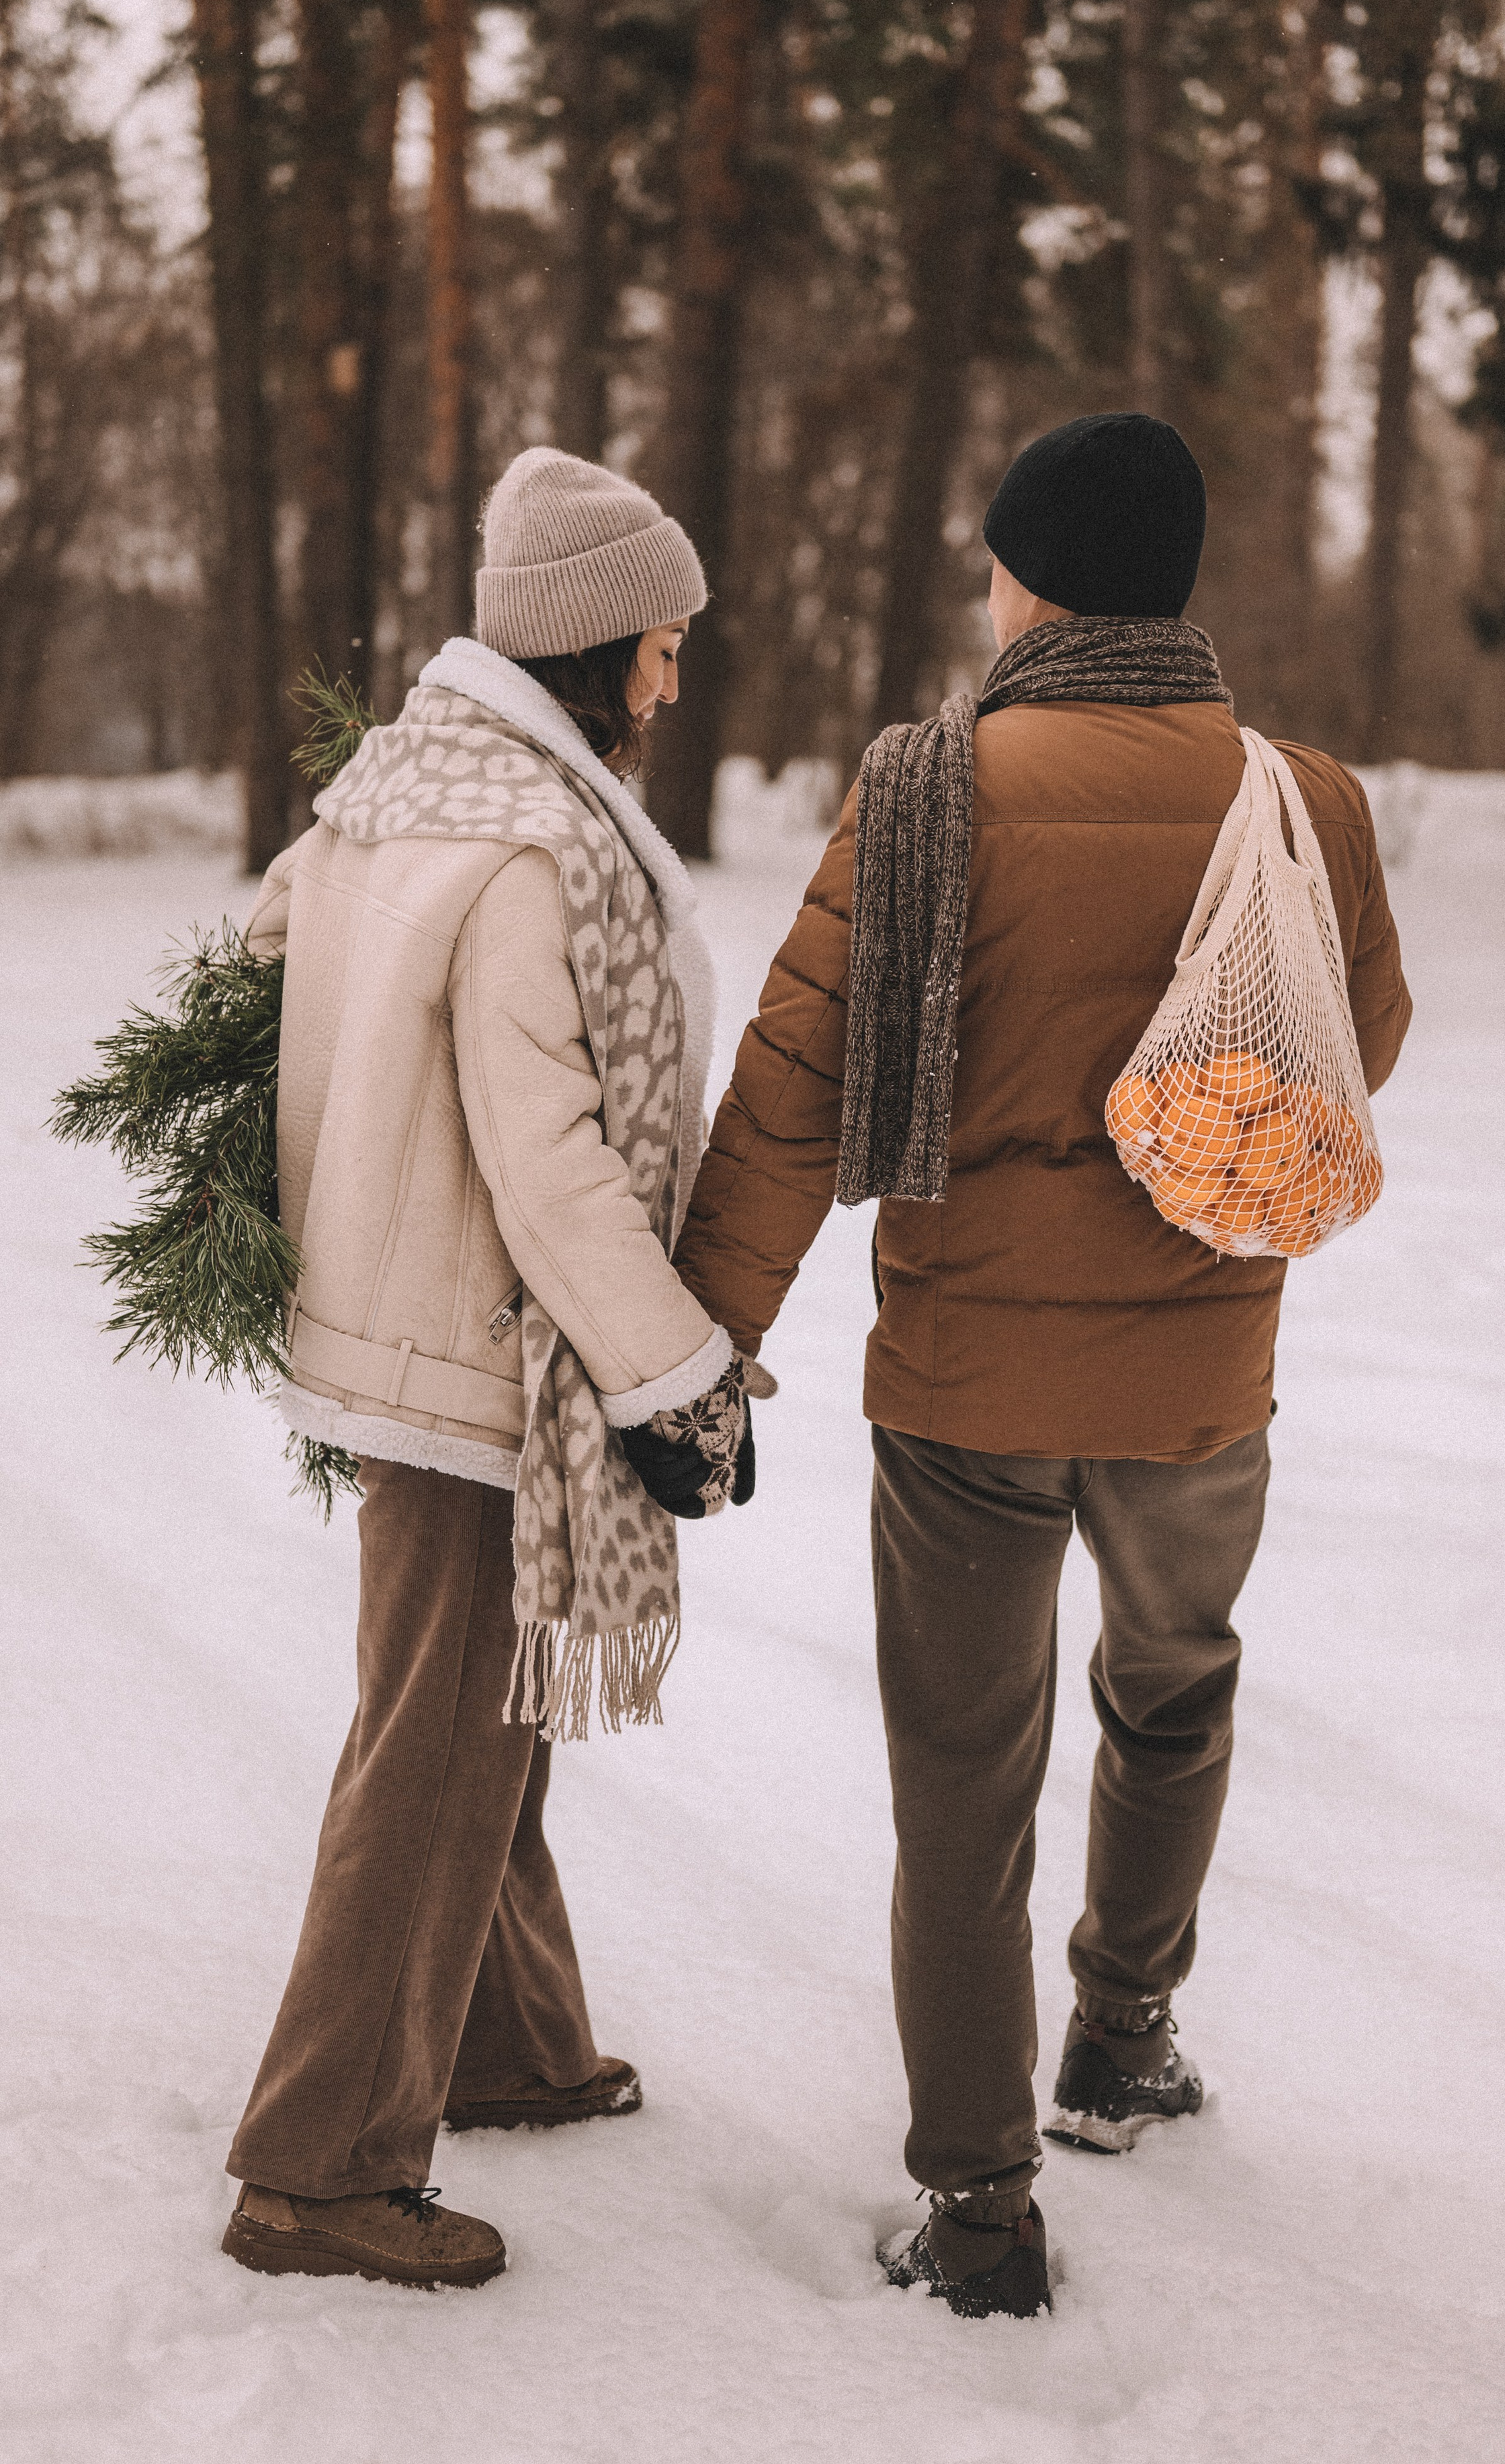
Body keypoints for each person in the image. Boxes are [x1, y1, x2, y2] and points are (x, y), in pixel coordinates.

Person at [673, 413, 1412, 2320]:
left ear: (1030, 576)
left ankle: (981, 2199)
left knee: (961, 1781)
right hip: (1195, 1380)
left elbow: (789, 1090)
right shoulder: (1305, 799)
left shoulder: (926, 788)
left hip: (964, 1394)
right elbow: (1361, 1044)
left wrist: (701, 1340)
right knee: (1171, 1699)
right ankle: (1123, 2032)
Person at [222, 447, 752, 2291]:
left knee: (477, 1711)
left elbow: (264, 952)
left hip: (400, 1320)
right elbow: (555, 1168)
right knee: (436, 1744)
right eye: (666, 646)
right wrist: (681, 1373)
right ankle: (320, 2164)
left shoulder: (395, 789)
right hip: (476, 1350)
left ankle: (510, 2043)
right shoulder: (530, 842)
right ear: (601, 644)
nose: (676, 682)